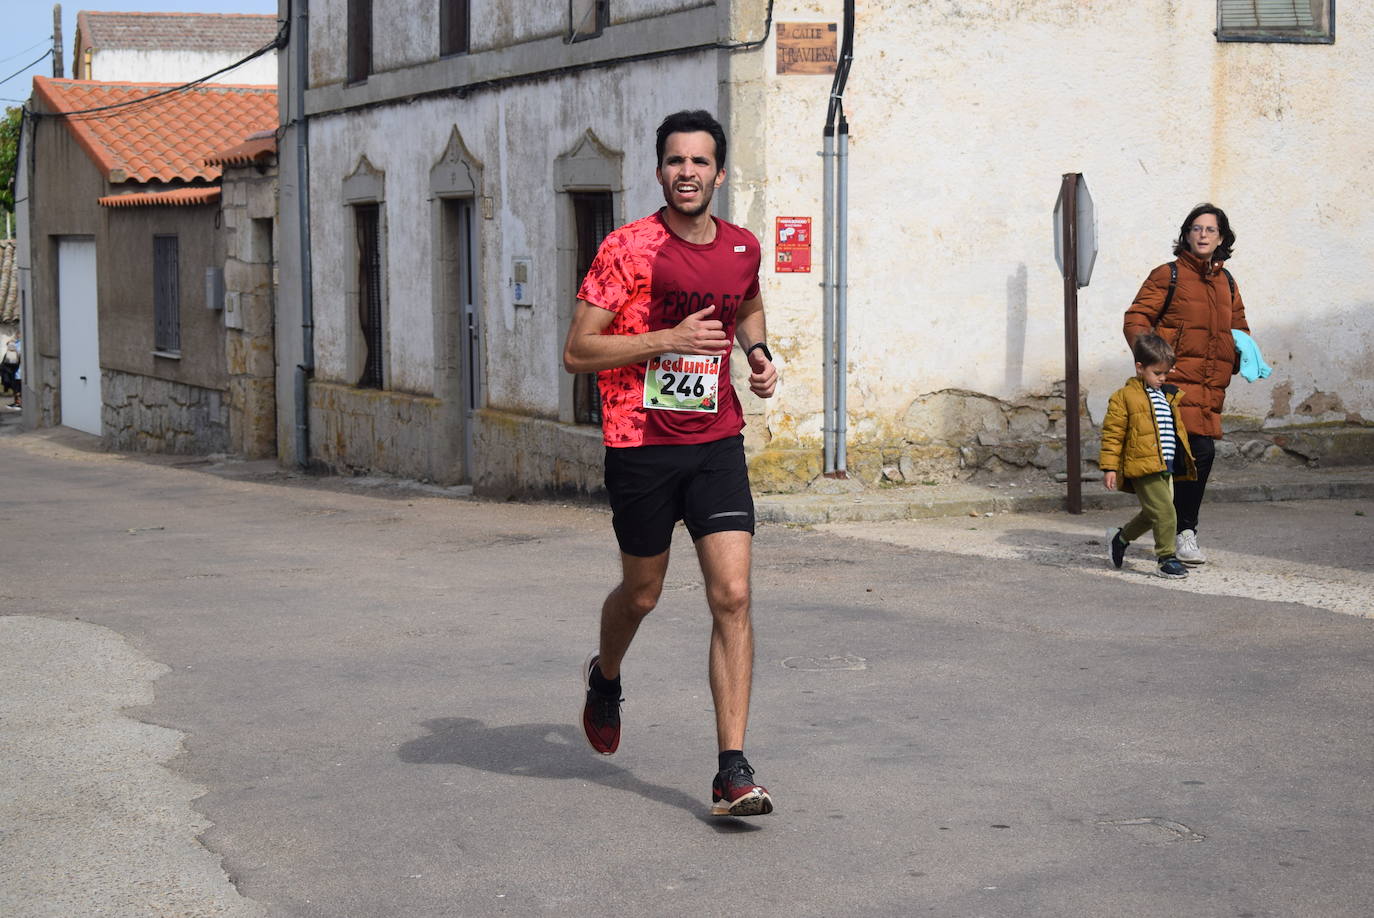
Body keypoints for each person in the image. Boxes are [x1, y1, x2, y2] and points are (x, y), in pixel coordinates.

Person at [562, 110, 779, 817]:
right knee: (644, 595)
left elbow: (746, 306)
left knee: (734, 596)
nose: (688, 172)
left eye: (700, 161)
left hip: (715, 440)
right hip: (641, 445)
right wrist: (665, 338)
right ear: (660, 171)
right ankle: (606, 675)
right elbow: (579, 350)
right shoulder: (627, 250)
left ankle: (732, 769)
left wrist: (757, 354)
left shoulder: (742, 248)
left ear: (719, 172)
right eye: (675, 161)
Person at [1124, 203, 1250, 565]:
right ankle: (1183, 534)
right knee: (1193, 454)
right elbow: (1137, 318)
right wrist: (1152, 362)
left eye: (1211, 229)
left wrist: (1241, 356)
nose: (1203, 235)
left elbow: (1239, 328)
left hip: (1210, 385)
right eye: (1196, 228)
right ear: (1186, 234)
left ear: (1221, 237)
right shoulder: (1168, 275)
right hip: (1172, 384)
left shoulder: (1227, 282)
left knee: (1191, 458)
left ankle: (1139, 533)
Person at [1099, 333, 1197, 579]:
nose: (1163, 378)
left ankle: (1120, 539)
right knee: (1165, 512)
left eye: (1166, 373)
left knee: (1154, 512)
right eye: (1157, 373)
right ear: (1140, 367)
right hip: (1142, 465)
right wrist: (1110, 467)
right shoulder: (1124, 397)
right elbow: (1113, 434)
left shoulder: (1167, 396)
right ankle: (1166, 558)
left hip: (1166, 464)